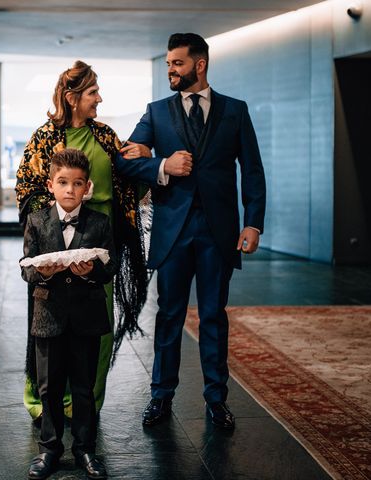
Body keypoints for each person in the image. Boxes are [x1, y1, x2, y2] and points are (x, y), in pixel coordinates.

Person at [116, 33, 266, 430]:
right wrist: (163, 165)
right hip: (175, 230)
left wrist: (253, 221)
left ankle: (217, 400)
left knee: (214, 316)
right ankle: (160, 397)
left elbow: (252, 170)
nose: (170, 70)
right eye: (167, 64)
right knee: (169, 315)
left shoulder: (235, 111)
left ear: (199, 65)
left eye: (177, 64)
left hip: (219, 231)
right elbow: (124, 162)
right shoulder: (156, 112)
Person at [15, 61, 149, 426]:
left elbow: (129, 185)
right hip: (54, 245)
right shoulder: (43, 138)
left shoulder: (106, 137)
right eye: (93, 93)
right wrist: (65, 211)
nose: (99, 99)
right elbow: (26, 191)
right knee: (48, 325)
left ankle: (87, 405)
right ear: (72, 98)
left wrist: (145, 161)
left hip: (100, 241)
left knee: (96, 325)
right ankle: (45, 404)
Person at [21, 149, 114, 479]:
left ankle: (86, 449)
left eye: (77, 184)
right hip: (48, 318)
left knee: (84, 387)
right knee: (49, 388)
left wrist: (90, 271)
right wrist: (44, 271)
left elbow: (109, 268)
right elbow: (27, 271)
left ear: (87, 186)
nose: (70, 190)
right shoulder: (36, 221)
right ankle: (49, 448)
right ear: (51, 185)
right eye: (63, 183)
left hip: (86, 318)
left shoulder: (100, 223)